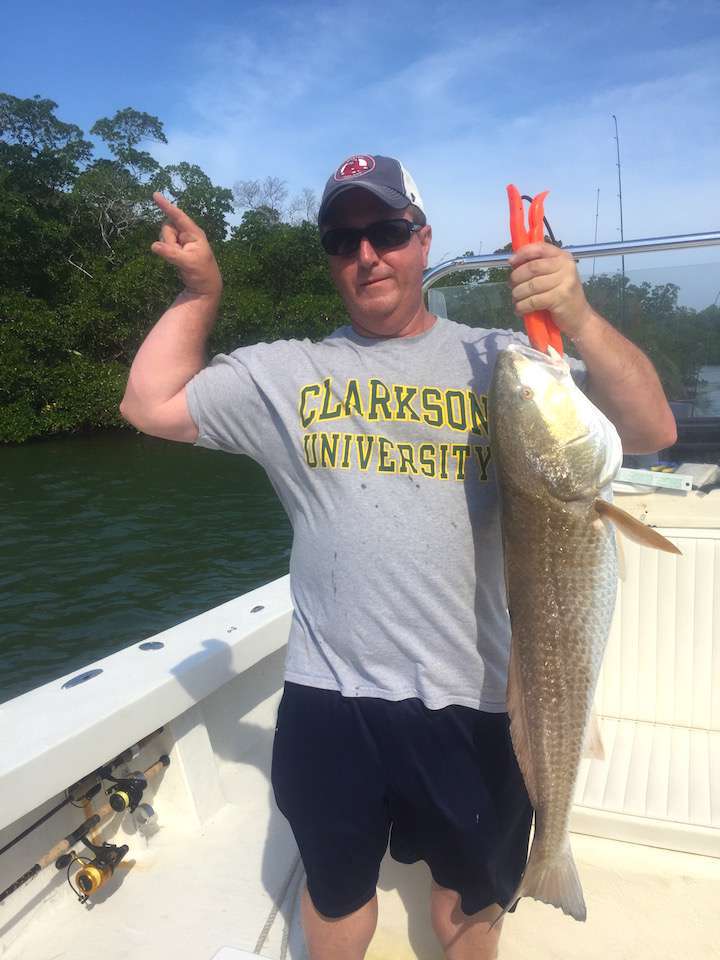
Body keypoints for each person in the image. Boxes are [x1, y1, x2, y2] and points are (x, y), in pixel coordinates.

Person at [119, 154, 677, 960]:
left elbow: (652, 427)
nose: (367, 255)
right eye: (343, 241)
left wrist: (579, 317)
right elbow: (149, 404)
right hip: (328, 697)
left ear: (422, 240)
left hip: (475, 695)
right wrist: (200, 293)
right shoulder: (288, 371)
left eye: (386, 232)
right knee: (336, 890)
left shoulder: (508, 363)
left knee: (468, 900)